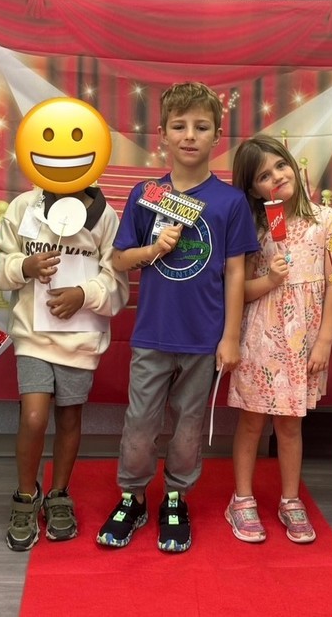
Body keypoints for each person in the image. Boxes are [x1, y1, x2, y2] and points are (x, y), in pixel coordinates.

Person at [96, 82, 259, 553]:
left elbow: (235, 272)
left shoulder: (229, 203)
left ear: (217, 135)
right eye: (179, 126)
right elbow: (120, 259)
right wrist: (153, 248)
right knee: (140, 422)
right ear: (162, 135)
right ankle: (132, 496)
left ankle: (174, 497)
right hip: (153, 332)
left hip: (205, 338)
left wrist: (230, 336)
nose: (190, 135)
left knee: (189, 424)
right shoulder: (145, 195)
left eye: (201, 127)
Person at [0, 182, 129, 552]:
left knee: (69, 416)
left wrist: (84, 295)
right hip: (33, 336)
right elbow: (0, 266)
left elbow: (116, 279)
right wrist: (25, 265)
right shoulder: (24, 206)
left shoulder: (106, 217)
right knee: (34, 417)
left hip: (80, 339)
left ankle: (58, 494)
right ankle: (25, 495)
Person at [224, 135, 332, 544]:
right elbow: (236, 291)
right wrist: (270, 278)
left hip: (305, 340)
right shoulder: (252, 227)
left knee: (291, 425)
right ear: (252, 188)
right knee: (252, 421)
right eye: (263, 175)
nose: (275, 177)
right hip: (260, 336)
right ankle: (241, 499)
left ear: (293, 164)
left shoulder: (329, 220)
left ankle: (291, 499)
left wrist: (326, 339)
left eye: (280, 166)